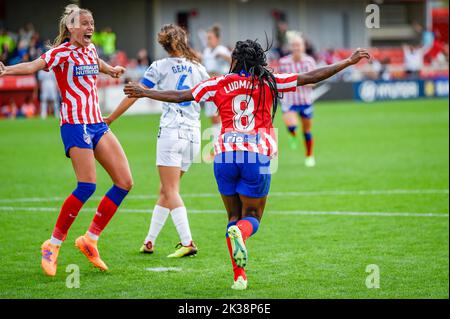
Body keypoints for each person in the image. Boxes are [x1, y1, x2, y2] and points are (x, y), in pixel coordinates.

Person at [123, 39, 370, 290]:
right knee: (251, 217)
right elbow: (310, 77)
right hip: (257, 157)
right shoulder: (269, 81)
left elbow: (179, 96)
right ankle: (241, 237)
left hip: (225, 156)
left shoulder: (219, 83)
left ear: (235, 60)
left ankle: (239, 277)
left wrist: (145, 92)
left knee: (232, 216)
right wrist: (348, 62)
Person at [0, 4, 133, 277]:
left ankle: (90, 239)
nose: (90, 28)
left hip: (97, 122)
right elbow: (35, 65)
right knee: (87, 185)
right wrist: (7, 71)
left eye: (92, 23)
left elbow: (97, 63)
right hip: (74, 124)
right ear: (72, 28)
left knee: (124, 182)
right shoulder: (61, 53)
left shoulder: (92, 49)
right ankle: (53, 244)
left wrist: (112, 70)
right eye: (84, 24)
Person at [104, 24, 210, 258]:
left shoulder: (159, 67)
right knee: (166, 189)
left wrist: (111, 117)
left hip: (172, 132)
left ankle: (188, 241)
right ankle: (149, 241)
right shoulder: (199, 68)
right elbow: (211, 98)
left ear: (163, 44)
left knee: (171, 190)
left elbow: (135, 94)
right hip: (193, 135)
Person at [278, 35, 317, 167]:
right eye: (294, 45)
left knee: (306, 131)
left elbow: (314, 81)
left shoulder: (309, 62)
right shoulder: (284, 62)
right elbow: (279, 79)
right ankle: (292, 133)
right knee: (292, 125)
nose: (296, 48)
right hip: (289, 101)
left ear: (303, 47)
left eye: (298, 45)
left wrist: (302, 82)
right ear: (290, 47)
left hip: (305, 101)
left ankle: (309, 156)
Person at [201, 25, 231, 159]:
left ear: (217, 39)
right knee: (213, 119)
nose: (208, 40)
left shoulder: (222, 50)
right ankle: (218, 147)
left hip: (220, 87)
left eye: (210, 37)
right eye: (207, 38)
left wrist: (224, 56)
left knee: (218, 118)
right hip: (210, 87)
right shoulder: (207, 51)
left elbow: (233, 62)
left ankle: (217, 149)